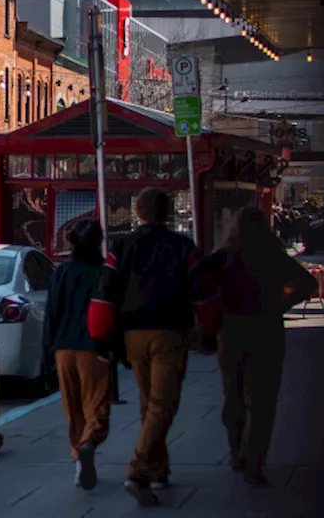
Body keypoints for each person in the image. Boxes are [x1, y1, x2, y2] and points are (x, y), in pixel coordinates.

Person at [193, 208, 317, 486]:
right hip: (267, 329)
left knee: (233, 395)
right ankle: (254, 461)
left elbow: (197, 283)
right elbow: (309, 283)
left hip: (232, 329)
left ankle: (236, 452)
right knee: (262, 401)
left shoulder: (222, 258)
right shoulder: (273, 256)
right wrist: (281, 304)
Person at [102, 188, 200, 507]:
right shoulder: (183, 247)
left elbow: (107, 291)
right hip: (170, 332)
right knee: (163, 402)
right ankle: (138, 471)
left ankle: (159, 467)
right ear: (168, 212)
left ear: (139, 212)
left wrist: (106, 337)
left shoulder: (121, 246)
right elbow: (203, 291)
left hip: (132, 334)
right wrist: (209, 330)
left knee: (149, 401)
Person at [44, 219, 114, 491]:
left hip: (63, 348)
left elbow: (51, 312)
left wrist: (49, 349)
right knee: (97, 409)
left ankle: (79, 459)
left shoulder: (63, 272)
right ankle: (88, 445)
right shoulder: (104, 272)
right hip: (93, 348)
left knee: (73, 411)